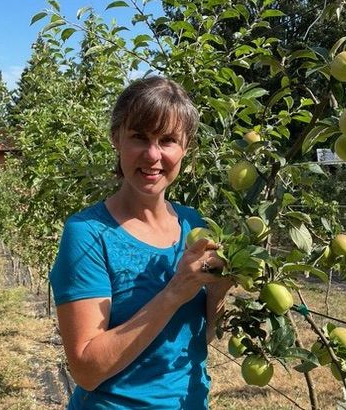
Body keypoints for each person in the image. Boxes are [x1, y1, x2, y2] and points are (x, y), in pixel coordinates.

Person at [49, 75, 233, 409]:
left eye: (167, 140)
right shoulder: (88, 234)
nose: (153, 155)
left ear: (185, 148)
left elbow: (194, 341)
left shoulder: (196, 226)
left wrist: (218, 291)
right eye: (139, 137)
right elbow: (86, 370)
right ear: (115, 139)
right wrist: (176, 290)